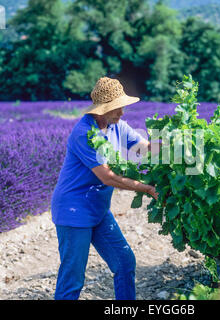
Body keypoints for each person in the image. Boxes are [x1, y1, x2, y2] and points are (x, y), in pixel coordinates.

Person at [50, 76, 159, 300]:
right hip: (74, 211)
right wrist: (147, 189)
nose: (122, 113)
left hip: (97, 209)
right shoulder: (84, 134)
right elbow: (108, 177)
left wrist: (181, 144)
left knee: (125, 262)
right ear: (102, 110)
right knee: (73, 279)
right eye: (117, 108)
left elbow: (144, 148)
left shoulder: (117, 126)